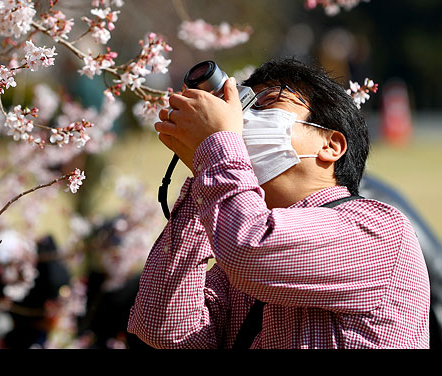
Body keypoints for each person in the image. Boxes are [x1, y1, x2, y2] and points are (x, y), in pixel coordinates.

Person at [127, 58, 430, 349]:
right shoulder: (234, 262)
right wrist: (203, 170)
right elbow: (161, 328)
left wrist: (218, 148)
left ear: (330, 145)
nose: (243, 120)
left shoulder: (379, 230)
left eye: (267, 103)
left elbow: (250, 247)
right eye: (244, 106)